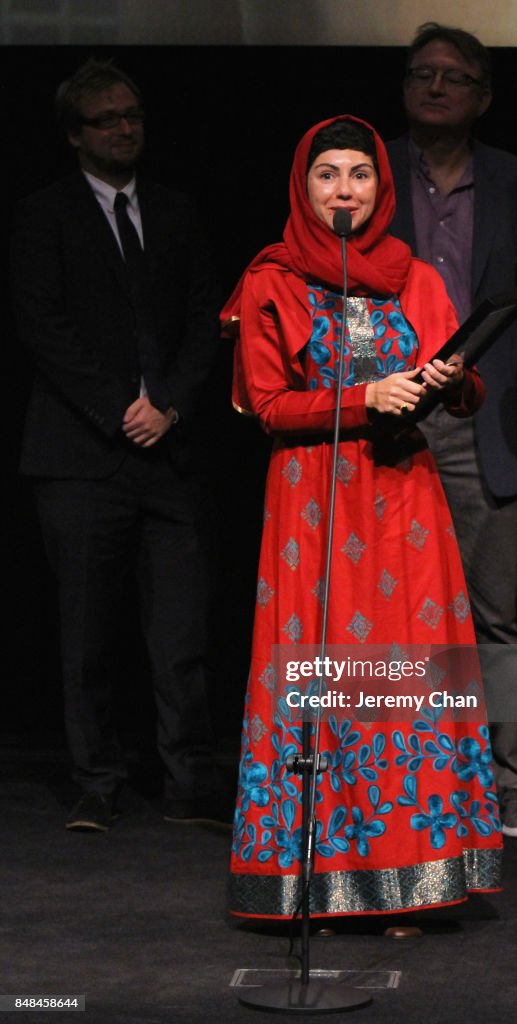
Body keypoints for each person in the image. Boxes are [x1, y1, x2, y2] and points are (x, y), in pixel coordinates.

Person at [222, 115, 502, 927]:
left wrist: (450, 378)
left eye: (359, 176)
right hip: (314, 502)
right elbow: (269, 405)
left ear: (382, 188)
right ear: (302, 188)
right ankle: (316, 877)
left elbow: (464, 388)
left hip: (404, 501)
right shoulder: (272, 278)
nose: (343, 191)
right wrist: (362, 396)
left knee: (406, 682)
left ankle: (410, 872)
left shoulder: (413, 276)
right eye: (327, 176)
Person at [11, 59, 224, 832]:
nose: (124, 128)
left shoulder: (175, 211)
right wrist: (119, 409)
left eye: (131, 114)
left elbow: (207, 318)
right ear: (76, 135)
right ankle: (97, 776)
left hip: (167, 453)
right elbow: (43, 327)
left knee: (181, 635)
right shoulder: (43, 216)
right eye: (106, 119)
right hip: (80, 456)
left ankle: (189, 779)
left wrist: (167, 404)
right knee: (87, 632)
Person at [386, 23, 517, 838]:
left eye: (454, 77)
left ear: (483, 97)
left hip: (487, 424)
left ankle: (515, 784)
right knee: (395, 618)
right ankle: (407, 774)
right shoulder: (367, 174)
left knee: (499, 615)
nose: (436, 86)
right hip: (394, 427)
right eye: (422, 73)